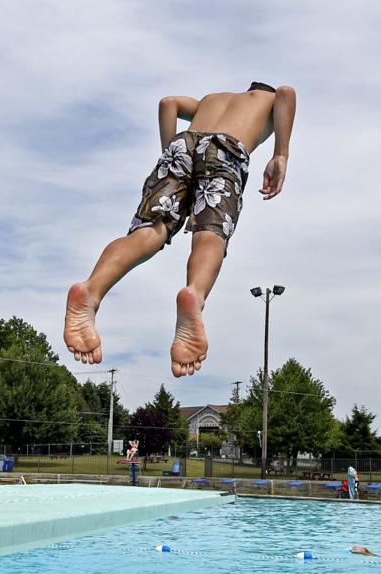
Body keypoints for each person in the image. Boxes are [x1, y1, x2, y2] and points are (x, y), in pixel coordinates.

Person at [64, 82, 298, 377]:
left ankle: (91, 289)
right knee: (211, 232)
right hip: (226, 151)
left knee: (149, 230)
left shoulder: (209, 101)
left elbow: (168, 103)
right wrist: (281, 154)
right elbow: (286, 92)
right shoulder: (267, 98)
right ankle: (194, 294)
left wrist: (171, 156)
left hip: (181, 147)